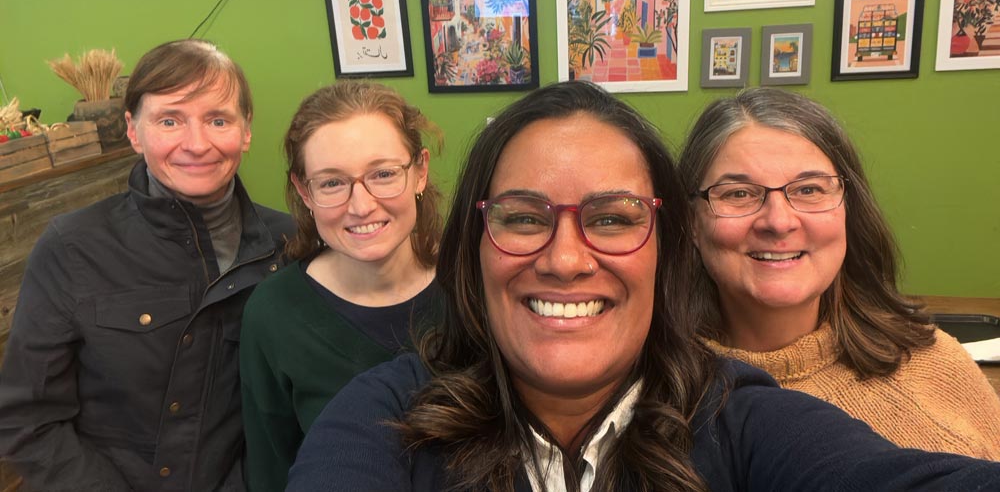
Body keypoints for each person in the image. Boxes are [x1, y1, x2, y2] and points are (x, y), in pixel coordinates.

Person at [285, 81, 1000, 492]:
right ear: (475, 247)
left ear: (665, 247)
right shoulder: (382, 415)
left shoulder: (738, 414)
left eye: (613, 217)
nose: (566, 258)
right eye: (525, 217)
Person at [0, 38, 294, 491]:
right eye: (170, 120)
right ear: (133, 132)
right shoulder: (72, 248)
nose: (196, 144)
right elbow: (28, 421)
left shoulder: (290, 246)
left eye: (218, 119)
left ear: (246, 130)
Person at [678, 87, 1000, 460]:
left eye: (809, 189)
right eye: (738, 194)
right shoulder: (652, 402)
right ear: (692, 225)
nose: (779, 222)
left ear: (848, 209)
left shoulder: (934, 361)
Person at [239, 81, 445, 491]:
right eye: (332, 183)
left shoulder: (477, 285)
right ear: (304, 190)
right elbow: (271, 468)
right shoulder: (274, 313)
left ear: (420, 172)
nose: (362, 205)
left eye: (384, 174)